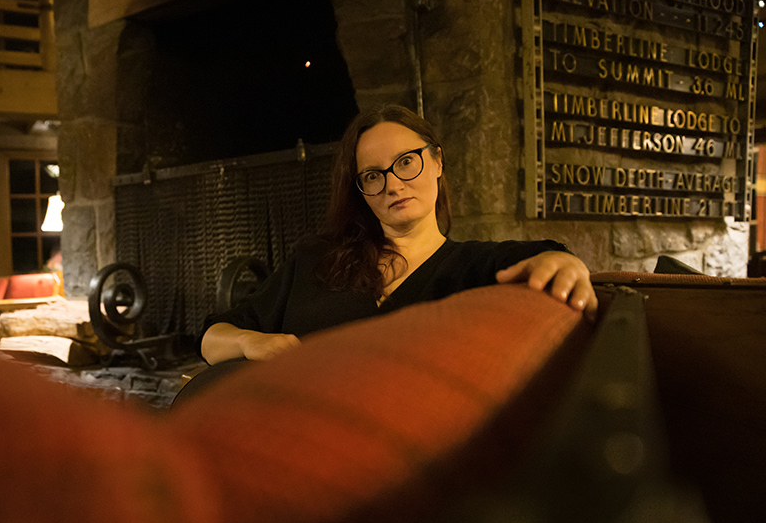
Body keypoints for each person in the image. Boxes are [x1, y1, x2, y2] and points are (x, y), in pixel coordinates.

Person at [199, 104, 596, 367]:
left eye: (406, 162)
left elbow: (543, 258)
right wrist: (249, 343)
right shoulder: (316, 260)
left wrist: (563, 258)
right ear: (360, 189)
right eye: (374, 175)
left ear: (437, 161)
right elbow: (214, 336)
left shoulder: (474, 267)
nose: (393, 185)